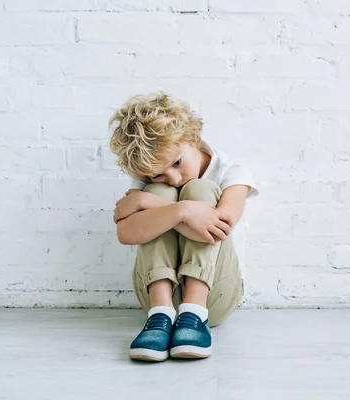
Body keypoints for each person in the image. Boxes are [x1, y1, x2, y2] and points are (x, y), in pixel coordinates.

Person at [108, 92, 258, 361]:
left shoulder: (232, 172)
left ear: (192, 137)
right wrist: (180, 210)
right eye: (158, 172)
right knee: (161, 192)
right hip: (155, 300)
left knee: (199, 189)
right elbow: (125, 233)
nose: (174, 178)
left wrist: (163, 206)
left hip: (216, 297)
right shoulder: (151, 183)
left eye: (177, 162)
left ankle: (194, 313)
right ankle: (161, 314)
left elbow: (218, 228)